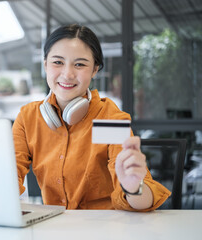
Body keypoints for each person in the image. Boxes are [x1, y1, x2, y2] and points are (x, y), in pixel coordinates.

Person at [12, 24, 171, 211]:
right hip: (54, 229)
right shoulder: (28, 118)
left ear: (95, 69)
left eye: (80, 64)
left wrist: (134, 188)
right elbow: (8, 177)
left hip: (104, 229)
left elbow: (141, 201)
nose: (67, 74)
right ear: (45, 64)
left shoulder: (108, 119)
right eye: (58, 62)